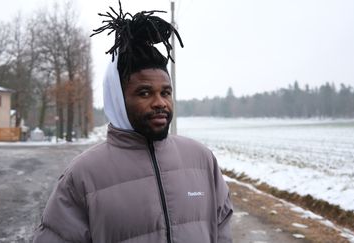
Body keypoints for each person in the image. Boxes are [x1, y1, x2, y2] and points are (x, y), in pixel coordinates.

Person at [33, 2, 233, 242]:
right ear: (118, 100)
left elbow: (222, 230)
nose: (160, 102)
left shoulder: (202, 160)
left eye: (166, 92)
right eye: (145, 93)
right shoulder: (83, 175)